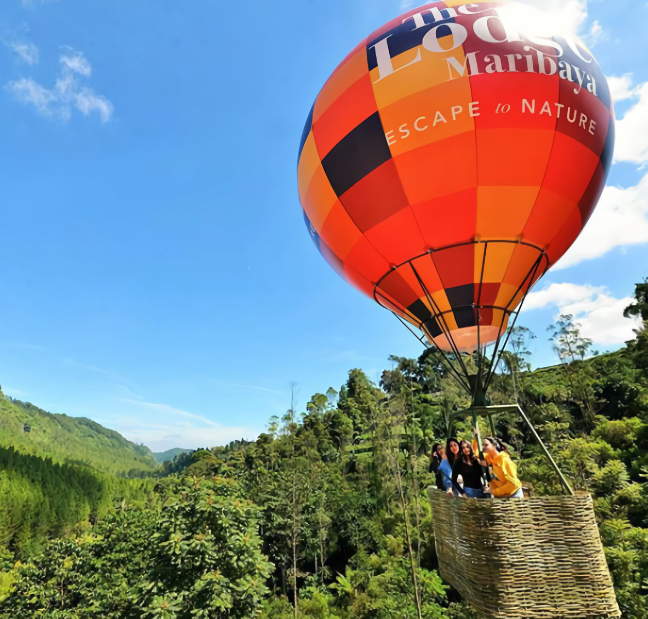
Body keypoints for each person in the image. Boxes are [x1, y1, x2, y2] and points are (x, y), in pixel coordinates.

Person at [477, 434, 523, 499]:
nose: (483, 447)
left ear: (494, 445)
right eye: (482, 445)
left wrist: (494, 491)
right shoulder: (488, 458)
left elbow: (513, 484)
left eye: (486, 445)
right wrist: (476, 437)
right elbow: (476, 453)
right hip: (500, 496)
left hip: (513, 494)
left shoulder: (505, 461)